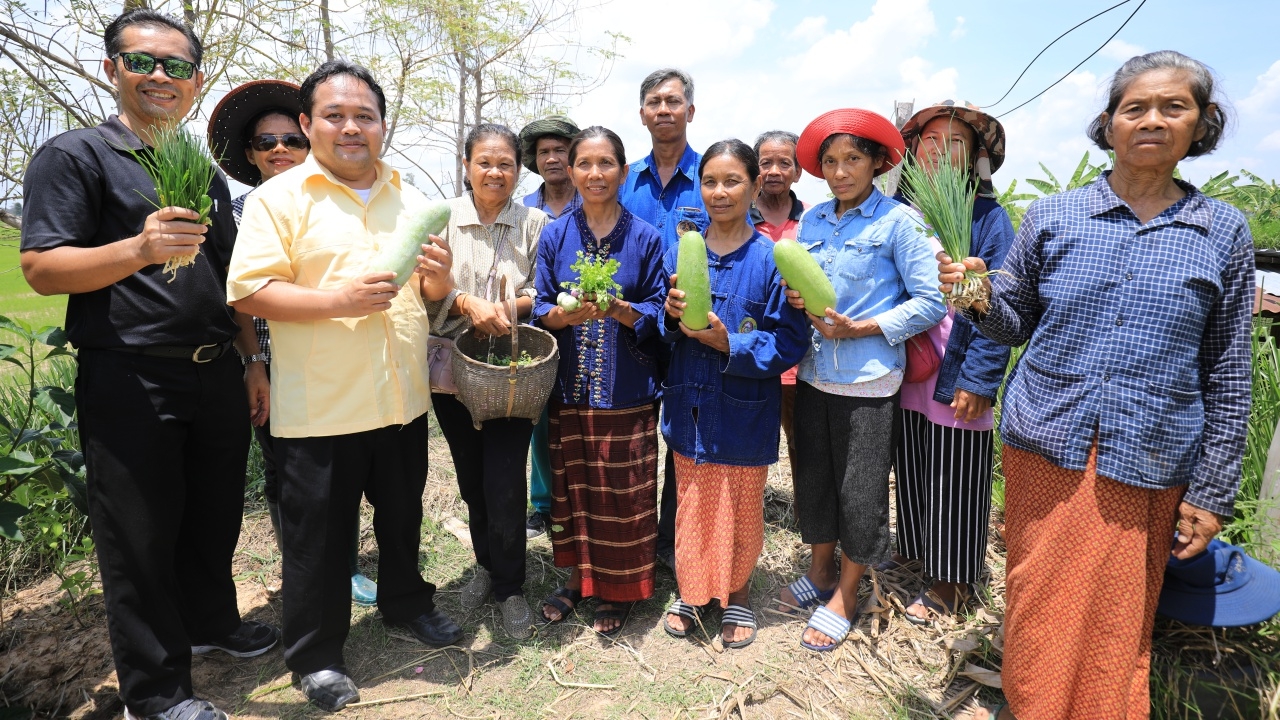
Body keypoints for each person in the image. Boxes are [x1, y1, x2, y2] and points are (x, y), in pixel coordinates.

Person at [939, 52, 1250, 720]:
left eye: (1174, 107)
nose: (1152, 121)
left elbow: (1227, 370)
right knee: (1039, 596)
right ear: (1107, 124)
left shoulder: (1221, 231)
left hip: (1151, 453)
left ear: (1201, 125)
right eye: (1134, 108)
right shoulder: (1055, 215)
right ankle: (1033, 705)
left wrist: (1214, 489)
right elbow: (1013, 319)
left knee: (1119, 612)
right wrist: (971, 289)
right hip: (1048, 440)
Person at [19, 10, 278, 720]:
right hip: (131, 373)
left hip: (216, 370)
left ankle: (211, 625)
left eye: (176, 66)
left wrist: (250, 359)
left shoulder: (198, 168)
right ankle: (156, 694)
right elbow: (42, 267)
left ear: (197, 79)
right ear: (113, 70)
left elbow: (232, 277)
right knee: (138, 536)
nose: (160, 77)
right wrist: (136, 249)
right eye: (143, 62)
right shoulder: (75, 156)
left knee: (213, 514)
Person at [228, 59, 461, 712]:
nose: (350, 127)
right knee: (319, 543)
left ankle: (406, 604)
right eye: (334, 115)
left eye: (365, 115)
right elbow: (250, 290)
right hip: (320, 407)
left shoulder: (411, 199)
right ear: (309, 124)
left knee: (402, 518)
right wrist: (338, 300)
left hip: (400, 398)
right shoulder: (280, 199)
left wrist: (439, 279)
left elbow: (432, 297)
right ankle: (317, 655)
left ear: (383, 126)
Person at [777, 108, 946, 652]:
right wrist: (798, 299)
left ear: (877, 162)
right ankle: (821, 570)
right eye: (830, 161)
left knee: (861, 491)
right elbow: (801, 286)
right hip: (814, 371)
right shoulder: (815, 220)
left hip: (869, 378)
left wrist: (868, 326)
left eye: (853, 159)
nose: (840, 170)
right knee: (816, 479)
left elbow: (933, 300)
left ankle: (848, 593)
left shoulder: (899, 222)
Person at [207, 79, 378, 607]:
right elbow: (237, 299)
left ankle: (343, 566)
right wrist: (252, 363)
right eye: (266, 143)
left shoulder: (338, 202)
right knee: (287, 472)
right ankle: (302, 569)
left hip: (334, 357)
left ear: (309, 141)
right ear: (251, 156)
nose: (280, 150)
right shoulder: (236, 214)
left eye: (290, 140)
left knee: (344, 469)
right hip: (271, 361)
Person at [660, 139, 808, 648]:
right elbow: (659, 334)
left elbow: (789, 341)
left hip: (744, 409)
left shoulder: (772, 259)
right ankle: (693, 591)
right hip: (689, 402)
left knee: (742, 505)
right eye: (709, 182)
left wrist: (730, 342)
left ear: (753, 186)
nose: (719, 192)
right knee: (692, 501)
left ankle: (738, 593)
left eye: (731, 182)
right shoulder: (684, 249)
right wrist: (670, 316)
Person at [883, 101, 1014, 625]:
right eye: (931, 140)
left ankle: (952, 579)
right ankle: (917, 549)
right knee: (913, 462)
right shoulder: (898, 212)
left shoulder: (988, 218)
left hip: (956, 367)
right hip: (906, 363)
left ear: (974, 157)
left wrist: (980, 377)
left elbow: (1002, 302)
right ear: (913, 151)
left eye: (956, 143)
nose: (941, 151)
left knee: (957, 472)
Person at [534, 126, 667, 637]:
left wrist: (623, 311)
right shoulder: (555, 235)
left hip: (628, 390)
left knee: (623, 492)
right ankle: (574, 579)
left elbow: (659, 310)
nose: (595, 174)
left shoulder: (646, 237)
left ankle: (619, 589)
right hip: (569, 388)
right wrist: (559, 318)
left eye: (605, 164)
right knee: (572, 488)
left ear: (623, 172)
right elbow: (541, 302)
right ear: (570, 172)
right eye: (584, 164)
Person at [423, 123, 548, 639]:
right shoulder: (441, 219)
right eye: (485, 163)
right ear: (467, 166)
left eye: (506, 164)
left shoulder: (535, 222)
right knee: (471, 479)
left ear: (518, 170)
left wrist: (504, 307)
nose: (495, 172)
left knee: (503, 479)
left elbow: (541, 290)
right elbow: (422, 282)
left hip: (512, 372)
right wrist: (464, 303)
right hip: (452, 369)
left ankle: (511, 587)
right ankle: (483, 564)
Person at [618, 67, 708, 570]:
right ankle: (636, 541)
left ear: (690, 111)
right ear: (642, 114)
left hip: (692, 331)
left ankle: (675, 546)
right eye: (655, 102)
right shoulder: (625, 180)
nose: (664, 110)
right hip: (633, 327)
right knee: (634, 440)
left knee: (685, 440)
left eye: (674, 102)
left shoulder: (711, 175)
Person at [517, 115, 582, 539]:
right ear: (534, 160)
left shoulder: (595, 199)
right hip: (537, 325)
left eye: (561, 150)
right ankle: (542, 503)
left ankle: (580, 498)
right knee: (539, 418)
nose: (553, 158)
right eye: (545, 152)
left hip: (586, 322)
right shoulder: (523, 208)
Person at [749, 130, 806, 488]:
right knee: (750, 437)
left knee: (803, 442)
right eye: (765, 162)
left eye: (784, 163)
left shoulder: (813, 222)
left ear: (798, 172)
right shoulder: (737, 218)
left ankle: (806, 517)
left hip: (798, 356)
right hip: (748, 347)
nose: (774, 170)